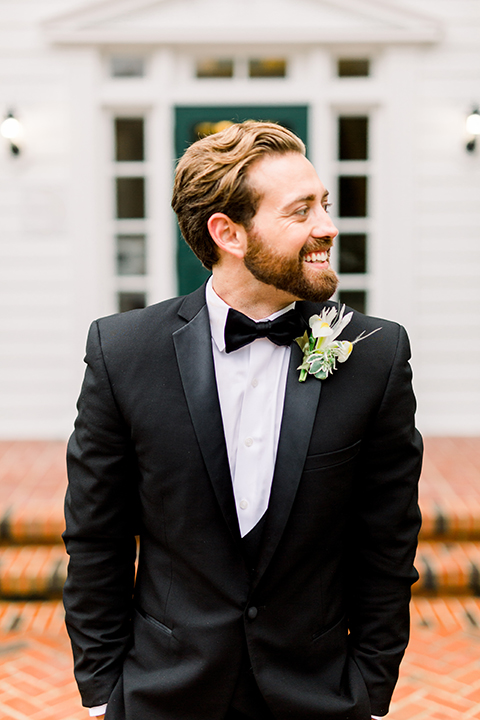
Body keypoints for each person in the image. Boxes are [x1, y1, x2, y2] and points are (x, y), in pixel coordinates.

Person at [64, 121, 422, 720]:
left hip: (320, 694)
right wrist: (102, 691)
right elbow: (96, 536)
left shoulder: (376, 354)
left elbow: (386, 540)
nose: (327, 227)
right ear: (229, 232)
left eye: (324, 205)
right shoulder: (121, 353)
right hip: (163, 692)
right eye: (300, 211)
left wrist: (373, 688)